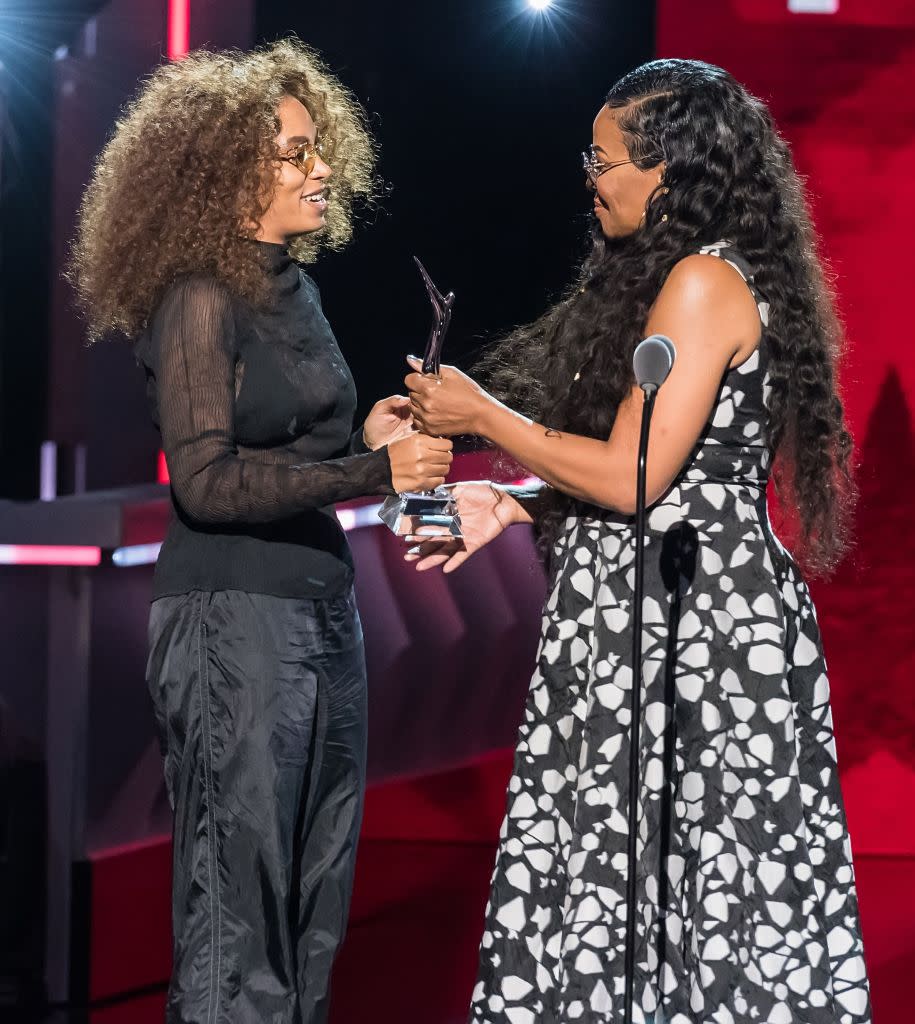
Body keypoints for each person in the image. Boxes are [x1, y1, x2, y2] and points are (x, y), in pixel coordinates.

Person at [404, 59, 871, 1024]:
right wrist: (519, 504)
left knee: (691, 873)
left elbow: (637, 474)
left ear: (670, 171)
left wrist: (483, 415)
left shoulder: (702, 283)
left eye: (604, 157)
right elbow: (667, 477)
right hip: (668, 609)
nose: (591, 175)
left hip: (689, 632)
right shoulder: (687, 276)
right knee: (656, 868)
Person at [69, 39, 452, 1024]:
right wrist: (373, 471)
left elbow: (306, 442)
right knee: (236, 912)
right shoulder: (199, 298)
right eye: (294, 152)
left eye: (318, 147)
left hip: (322, 616)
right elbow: (205, 480)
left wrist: (373, 432)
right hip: (232, 624)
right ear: (229, 170)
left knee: (313, 902)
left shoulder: (296, 288)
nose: (320, 167)